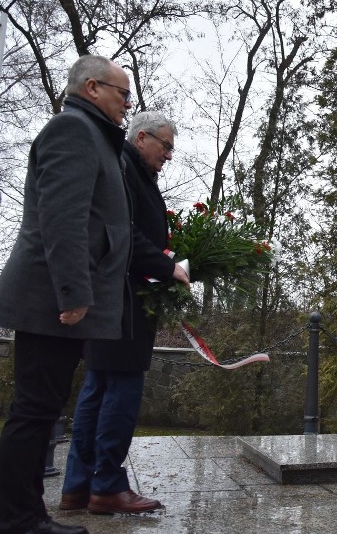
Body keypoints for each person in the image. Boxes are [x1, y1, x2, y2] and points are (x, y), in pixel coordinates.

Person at [0, 55, 132, 534]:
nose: (126, 104)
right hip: (49, 301)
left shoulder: (93, 134)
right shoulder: (72, 129)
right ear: (93, 88)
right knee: (34, 412)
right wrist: (73, 293)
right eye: (122, 94)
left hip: (57, 300)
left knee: (42, 409)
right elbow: (63, 219)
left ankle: (27, 512)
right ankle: (18, 518)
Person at [59, 112, 189, 515]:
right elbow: (124, 233)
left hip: (113, 297)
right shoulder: (124, 170)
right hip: (124, 300)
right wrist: (169, 267)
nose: (169, 154)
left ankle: (78, 487)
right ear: (141, 137)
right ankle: (107, 486)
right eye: (164, 145)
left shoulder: (131, 170)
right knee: (120, 391)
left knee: (97, 390)